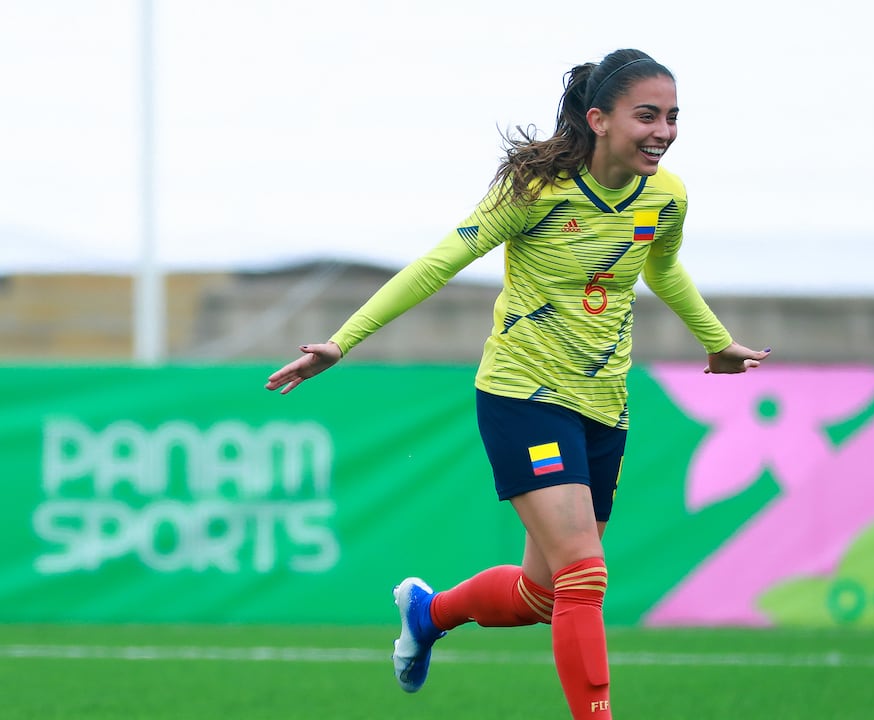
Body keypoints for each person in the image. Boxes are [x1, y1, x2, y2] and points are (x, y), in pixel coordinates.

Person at [264, 48, 769, 719]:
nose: (664, 131)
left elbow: (663, 270)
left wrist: (716, 341)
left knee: (545, 596)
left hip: (604, 405)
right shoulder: (535, 192)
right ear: (598, 118)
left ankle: (428, 612)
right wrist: (341, 341)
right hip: (522, 396)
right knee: (585, 574)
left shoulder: (666, 196)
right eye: (647, 115)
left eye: (672, 117)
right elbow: (440, 262)